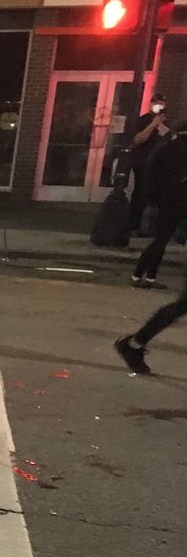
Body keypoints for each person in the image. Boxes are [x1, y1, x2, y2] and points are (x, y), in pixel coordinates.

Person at [115, 132, 187, 374]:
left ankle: (135, 344)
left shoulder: (173, 142)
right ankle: (134, 343)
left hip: (171, 208)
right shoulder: (177, 146)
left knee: (183, 303)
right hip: (172, 208)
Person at [131, 122, 187, 289]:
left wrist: (152, 197)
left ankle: (149, 277)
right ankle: (140, 274)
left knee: (161, 239)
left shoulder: (165, 147)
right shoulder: (181, 150)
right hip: (178, 200)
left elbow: (152, 171)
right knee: (161, 240)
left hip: (164, 200)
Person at [129, 93, 171, 234]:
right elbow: (138, 139)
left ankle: (148, 227)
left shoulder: (166, 122)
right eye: (157, 102)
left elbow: (167, 140)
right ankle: (133, 223)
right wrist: (153, 124)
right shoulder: (144, 120)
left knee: (154, 195)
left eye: (162, 103)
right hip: (142, 162)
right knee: (140, 192)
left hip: (158, 164)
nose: (159, 105)